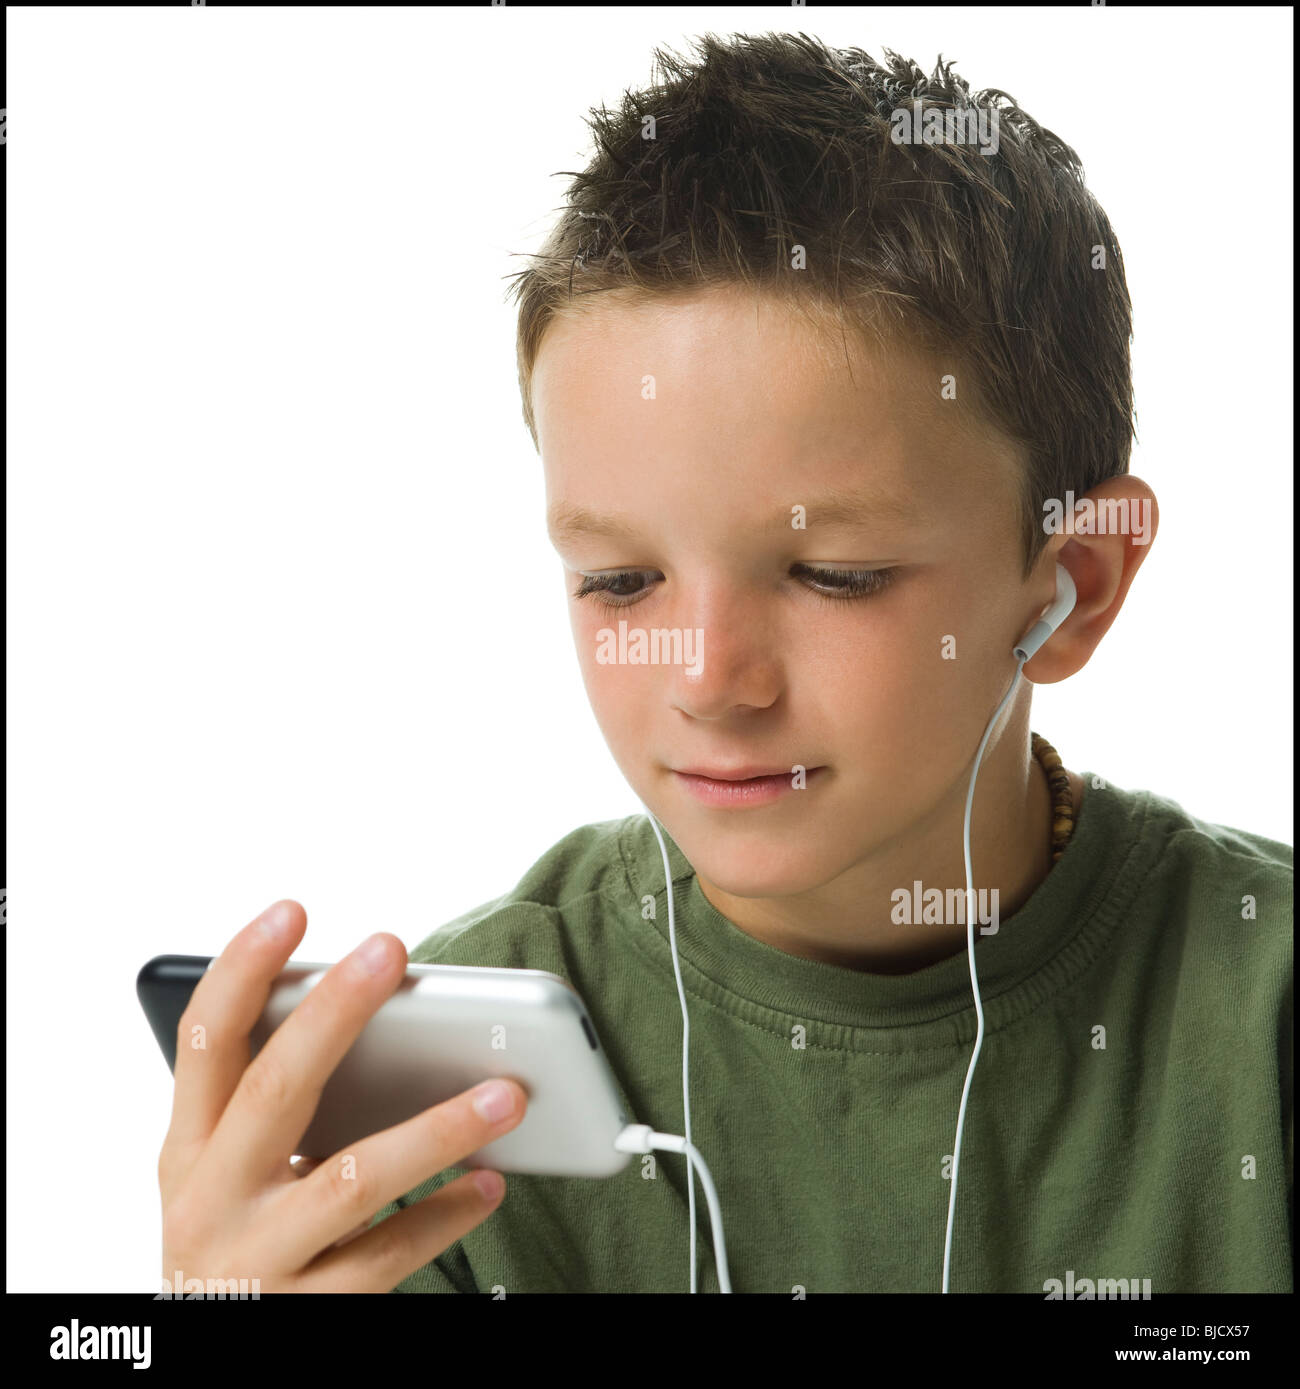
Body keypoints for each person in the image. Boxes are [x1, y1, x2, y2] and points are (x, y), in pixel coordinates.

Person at [156, 33, 1292, 1295]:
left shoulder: (1260, 1014)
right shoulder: (455, 1095)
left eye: (833, 576)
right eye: (618, 582)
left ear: (1070, 588)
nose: (704, 679)